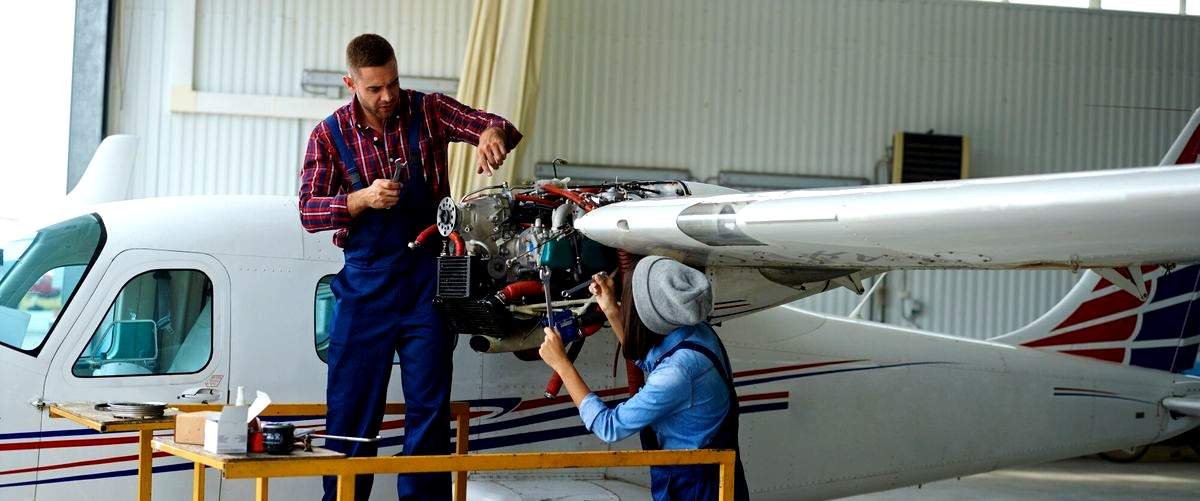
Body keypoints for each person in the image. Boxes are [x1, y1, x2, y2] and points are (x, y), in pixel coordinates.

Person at [298, 34, 521, 501]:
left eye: (394, 83)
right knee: (351, 410)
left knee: (429, 408)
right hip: (365, 289)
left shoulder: (428, 110)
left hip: (427, 284)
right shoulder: (329, 135)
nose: (388, 97)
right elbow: (309, 211)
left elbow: (493, 124)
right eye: (375, 88)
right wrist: (361, 199)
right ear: (351, 83)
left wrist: (491, 136)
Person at [539, 256, 750, 500]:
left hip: (697, 486)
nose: (628, 302)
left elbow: (609, 426)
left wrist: (562, 365)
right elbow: (649, 358)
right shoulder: (695, 330)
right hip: (707, 473)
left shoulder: (679, 372)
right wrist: (610, 309)